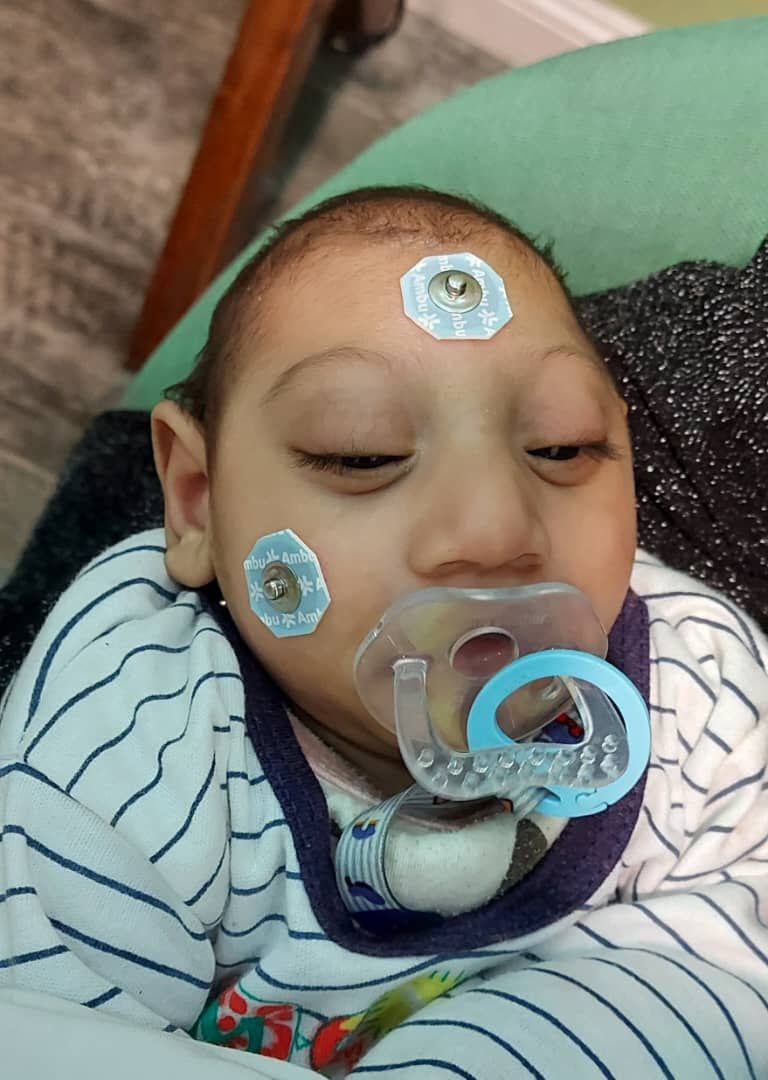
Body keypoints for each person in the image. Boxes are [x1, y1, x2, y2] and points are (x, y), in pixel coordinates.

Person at [0, 187, 766, 1078]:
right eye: (361, 454)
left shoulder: (697, 694)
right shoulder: (131, 729)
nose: (494, 528)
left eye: (562, 447)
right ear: (199, 503)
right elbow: (45, 1032)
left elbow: (734, 966)